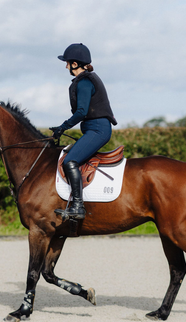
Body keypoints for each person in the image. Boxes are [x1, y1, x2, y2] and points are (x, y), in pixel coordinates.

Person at [51, 43, 117, 221]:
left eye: (67, 62)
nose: (66, 66)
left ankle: (78, 207)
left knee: (70, 161)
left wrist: (62, 127)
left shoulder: (85, 82)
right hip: (93, 129)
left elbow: (81, 112)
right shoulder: (85, 80)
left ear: (75, 64)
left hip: (98, 130)